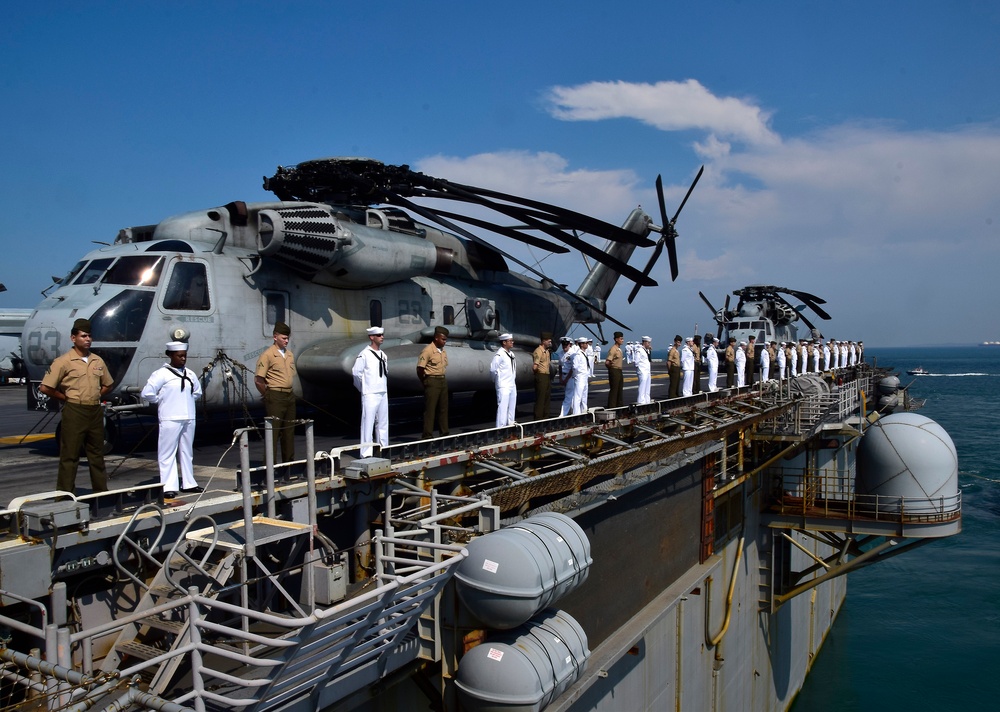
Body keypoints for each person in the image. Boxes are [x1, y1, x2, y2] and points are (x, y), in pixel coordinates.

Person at [39, 318, 113, 495]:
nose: (87, 339)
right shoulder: (63, 361)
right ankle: (64, 495)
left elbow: (108, 384)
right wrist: (65, 397)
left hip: (94, 409)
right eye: (83, 336)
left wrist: (96, 395)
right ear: (73, 338)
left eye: (89, 336)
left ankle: (101, 493)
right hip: (75, 410)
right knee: (70, 455)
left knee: (96, 455)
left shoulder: (97, 361)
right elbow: (45, 387)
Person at [141, 341, 203, 498]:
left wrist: (185, 402)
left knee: (186, 451)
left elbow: (197, 392)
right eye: (179, 356)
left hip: (188, 416)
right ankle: (169, 486)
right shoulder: (161, 374)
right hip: (170, 417)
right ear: (170, 355)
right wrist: (162, 400)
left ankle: (189, 483)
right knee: (167, 453)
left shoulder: (189, 373)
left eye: (185, 356)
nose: (183, 359)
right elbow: (147, 393)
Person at [255, 322, 297, 463]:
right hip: (275, 396)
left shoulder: (289, 355)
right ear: (275, 337)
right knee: (273, 432)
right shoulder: (267, 355)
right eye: (284, 338)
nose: (286, 341)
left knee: (289, 431)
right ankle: (270, 466)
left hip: (289, 396)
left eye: (287, 338)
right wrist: (268, 395)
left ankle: (288, 464)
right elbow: (259, 380)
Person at [352, 326, 388, 457]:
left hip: (382, 391)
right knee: (368, 423)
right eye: (378, 335)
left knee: (383, 423)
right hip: (370, 393)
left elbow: (385, 373)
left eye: (382, 334)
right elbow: (356, 373)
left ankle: (383, 448)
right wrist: (364, 389)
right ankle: (366, 452)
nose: (382, 337)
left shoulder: (383, 355)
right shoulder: (364, 354)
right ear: (371, 337)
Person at [417, 326, 450, 438]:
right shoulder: (428, 350)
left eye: (445, 339)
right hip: (432, 380)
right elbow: (420, 368)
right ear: (436, 338)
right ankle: (427, 435)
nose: (445, 342)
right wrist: (425, 381)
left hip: (442, 380)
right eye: (443, 339)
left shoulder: (442, 351)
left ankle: (444, 433)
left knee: (443, 408)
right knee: (430, 409)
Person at [490, 333, 517, 427]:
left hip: (512, 384)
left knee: (512, 406)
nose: (512, 342)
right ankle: (500, 428)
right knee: (503, 407)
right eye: (510, 341)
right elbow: (493, 369)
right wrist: (497, 381)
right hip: (504, 384)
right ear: (504, 342)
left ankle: (510, 423)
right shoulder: (499, 355)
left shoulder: (511, 354)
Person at [532, 332, 553, 419]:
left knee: (547, 398)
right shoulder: (538, 351)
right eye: (548, 341)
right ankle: (538, 418)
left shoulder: (547, 351)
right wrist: (538, 375)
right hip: (541, 376)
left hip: (546, 376)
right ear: (543, 341)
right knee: (541, 398)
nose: (550, 343)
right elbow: (534, 367)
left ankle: (545, 417)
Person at [605, 331, 625, 408]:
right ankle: (612, 407)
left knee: (619, 390)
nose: (622, 340)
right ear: (616, 339)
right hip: (614, 370)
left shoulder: (618, 349)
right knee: (614, 390)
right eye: (621, 339)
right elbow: (607, 362)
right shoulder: (613, 349)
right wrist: (611, 369)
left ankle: (619, 406)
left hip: (619, 370)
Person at [636, 336, 653, 404]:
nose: (649, 344)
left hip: (647, 370)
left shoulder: (647, 350)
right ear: (644, 342)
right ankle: (641, 401)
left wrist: (649, 350)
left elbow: (648, 359)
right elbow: (637, 361)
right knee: (642, 386)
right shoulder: (639, 350)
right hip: (642, 370)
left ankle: (647, 400)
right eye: (648, 343)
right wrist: (640, 370)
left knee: (647, 386)